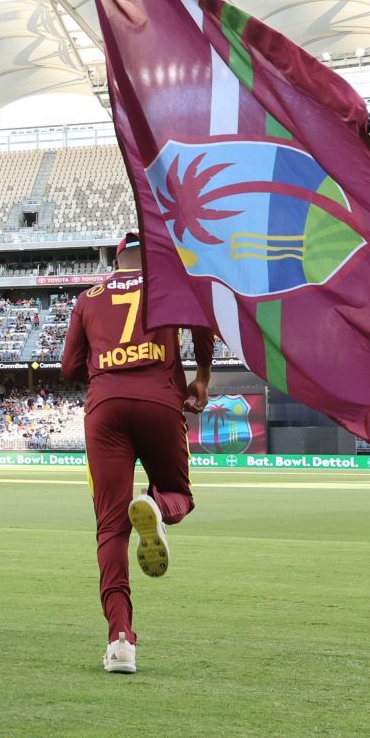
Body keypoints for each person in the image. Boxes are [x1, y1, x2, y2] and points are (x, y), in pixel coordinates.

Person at [62, 230, 214, 674]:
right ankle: (154, 504)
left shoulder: (89, 296)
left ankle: (120, 640)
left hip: (105, 408)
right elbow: (203, 322)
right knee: (179, 496)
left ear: (116, 259)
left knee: (110, 529)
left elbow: (70, 367)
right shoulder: (169, 281)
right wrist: (201, 374)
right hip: (159, 400)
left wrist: (104, 365)